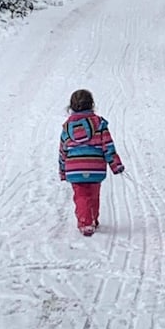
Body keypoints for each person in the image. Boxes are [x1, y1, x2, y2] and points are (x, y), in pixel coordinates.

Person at [58, 89, 125, 236]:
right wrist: (115, 164)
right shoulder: (99, 124)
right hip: (95, 168)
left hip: (74, 169)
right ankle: (93, 218)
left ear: (71, 107)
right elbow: (107, 145)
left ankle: (85, 222)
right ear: (92, 105)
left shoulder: (67, 128)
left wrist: (63, 171)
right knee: (93, 194)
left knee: (81, 195)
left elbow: (63, 151)